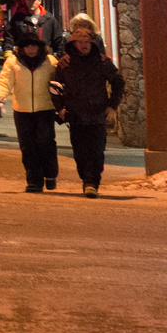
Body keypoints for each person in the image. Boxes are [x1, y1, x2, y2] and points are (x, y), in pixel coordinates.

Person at [50, 13, 124, 198]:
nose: (83, 45)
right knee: (80, 152)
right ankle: (86, 178)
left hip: (97, 115)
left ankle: (92, 182)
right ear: (73, 42)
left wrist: (112, 105)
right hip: (75, 116)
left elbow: (118, 81)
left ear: (93, 43)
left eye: (87, 42)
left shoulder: (101, 62)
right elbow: (55, 87)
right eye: (79, 42)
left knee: (97, 151)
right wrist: (60, 108)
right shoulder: (65, 64)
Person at [0, 26, 60, 192]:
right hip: (22, 111)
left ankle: (50, 174)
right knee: (27, 146)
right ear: (21, 47)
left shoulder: (50, 62)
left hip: (45, 109)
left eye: (34, 46)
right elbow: (4, 82)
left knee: (45, 143)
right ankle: (34, 181)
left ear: (39, 47)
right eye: (27, 46)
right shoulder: (13, 62)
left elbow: (60, 80)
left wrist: (58, 91)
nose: (30, 49)